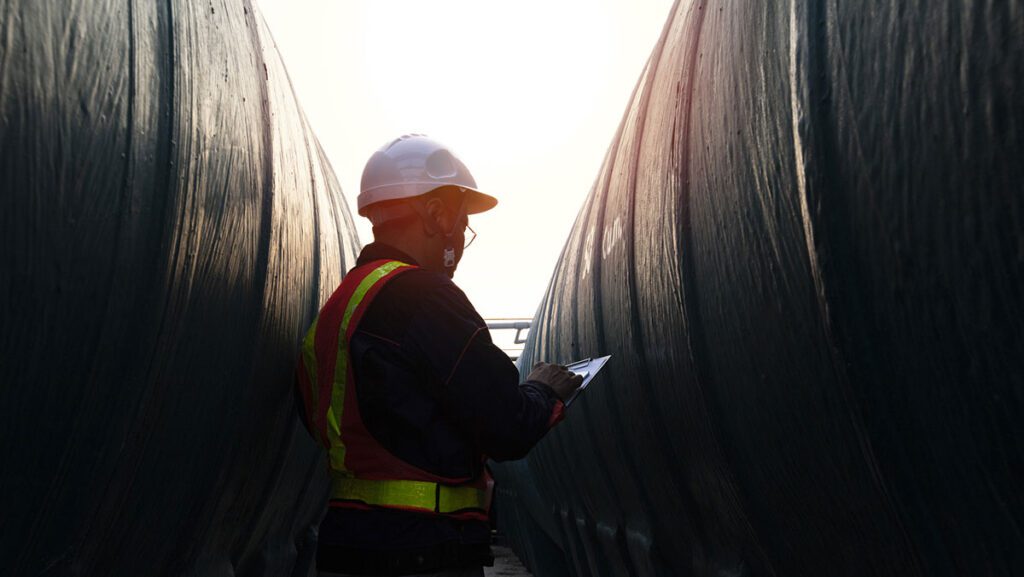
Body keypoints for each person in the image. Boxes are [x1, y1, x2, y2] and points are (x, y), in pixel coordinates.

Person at [295, 134, 582, 576]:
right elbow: (506, 426)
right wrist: (546, 391)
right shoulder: (423, 297)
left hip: (346, 547)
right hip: (422, 550)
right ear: (436, 214)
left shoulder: (339, 307)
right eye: (463, 223)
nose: (462, 241)